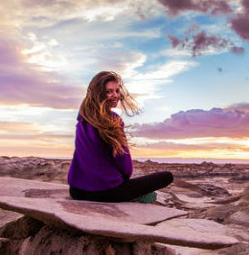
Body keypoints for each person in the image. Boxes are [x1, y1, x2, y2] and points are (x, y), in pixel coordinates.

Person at [68, 71, 173, 202]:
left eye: (117, 91)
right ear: (98, 93)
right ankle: (137, 198)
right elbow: (125, 166)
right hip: (105, 192)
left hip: (76, 191)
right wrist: (122, 181)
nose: (115, 95)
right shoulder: (113, 120)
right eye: (109, 91)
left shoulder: (84, 117)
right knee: (167, 176)